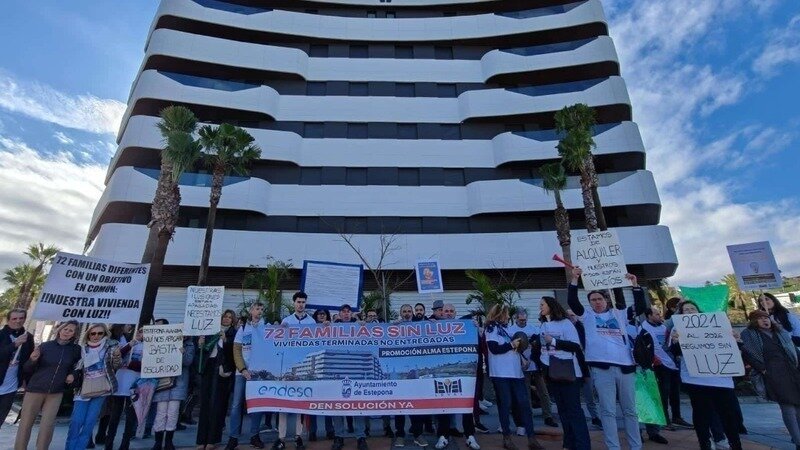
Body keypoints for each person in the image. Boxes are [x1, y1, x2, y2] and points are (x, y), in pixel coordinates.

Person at [567, 267, 641, 450]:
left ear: (606, 300)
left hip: (626, 368)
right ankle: (613, 447)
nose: (597, 302)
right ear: (590, 303)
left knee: (630, 411)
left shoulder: (619, 314)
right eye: (593, 300)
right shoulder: (587, 316)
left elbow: (640, 307)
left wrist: (635, 285)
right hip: (602, 369)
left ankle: (636, 446)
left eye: (599, 299)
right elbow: (572, 302)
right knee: (608, 411)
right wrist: (575, 279)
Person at [669, 301, 743, 450]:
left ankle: (735, 444)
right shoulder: (676, 329)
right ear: (681, 314)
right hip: (696, 379)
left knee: (728, 414)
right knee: (701, 414)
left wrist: (737, 340)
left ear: (699, 311)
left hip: (721, 379)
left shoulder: (716, 325)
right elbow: (675, 352)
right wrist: (677, 342)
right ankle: (705, 443)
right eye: (686, 310)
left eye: (692, 308)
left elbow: (733, 347)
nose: (690, 311)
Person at [485, 304, 544, 450]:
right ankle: (507, 438)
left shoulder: (507, 329)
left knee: (524, 404)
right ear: (499, 315)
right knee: (505, 405)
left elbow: (515, 349)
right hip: (500, 374)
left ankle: (532, 438)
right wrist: (511, 345)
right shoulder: (491, 328)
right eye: (505, 314)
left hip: (516, 373)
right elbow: (494, 349)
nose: (508, 317)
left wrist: (522, 357)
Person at [15, 320, 81, 450]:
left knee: (48, 425)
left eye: (71, 330)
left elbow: (78, 366)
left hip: (56, 392)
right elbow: (27, 368)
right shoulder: (45, 346)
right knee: (25, 424)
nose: (67, 332)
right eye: (65, 329)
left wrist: (73, 374)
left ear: (74, 334)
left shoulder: (75, 350)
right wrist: (32, 360)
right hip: (35, 390)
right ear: (60, 330)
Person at [741, 310, 800, 448]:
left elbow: (794, 350)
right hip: (774, 374)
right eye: (760, 318)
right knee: (788, 407)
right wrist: (763, 369)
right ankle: (798, 441)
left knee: (798, 407)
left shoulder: (780, 332)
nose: (764, 320)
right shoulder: (749, 334)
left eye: (766, 317)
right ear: (754, 321)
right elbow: (748, 353)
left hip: (793, 372)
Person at [537, 296, 590, 450]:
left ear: (551, 306)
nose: (540, 307)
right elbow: (543, 349)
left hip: (569, 373)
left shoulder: (565, 323)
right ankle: (569, 443)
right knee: (562, 411)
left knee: (574, 411)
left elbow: (575, 346)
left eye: (542, 304)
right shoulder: (543, 325)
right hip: (552, 373)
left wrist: (553, 341)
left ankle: (582, 445)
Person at [66, 324, 123, 450]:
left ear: (105, 334)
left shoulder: (111, 348)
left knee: (89, 424)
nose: (96, 336)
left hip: (101, 389)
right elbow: (75, 367)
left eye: (100, 333)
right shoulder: (81, 348)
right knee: (76, 422)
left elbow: (117, 366)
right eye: (93, 333)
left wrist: (117, 356)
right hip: (82, 389)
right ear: (88, 335)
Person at [273, 292, 314, 450]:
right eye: (298, 302)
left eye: (303, 302)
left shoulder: (311, 322)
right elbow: (278, 342)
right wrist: (280, 330)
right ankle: (281, 438)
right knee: (283, 402)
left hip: (303, 367)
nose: (301, 304)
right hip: (287, 366)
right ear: (294, 303)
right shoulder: (286, 321)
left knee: (299, 403)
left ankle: (298, 437)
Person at [507, 308, 558, 431]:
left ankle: (548, 416)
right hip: (521, 365)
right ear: (515, 319)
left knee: (543, 392)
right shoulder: (511, 330)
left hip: (535, 364)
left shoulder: (533, 329)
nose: (523, 322)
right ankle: (528, 416)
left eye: (525, 320)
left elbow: (541, 341)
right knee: (526, 393)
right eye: (521, 320)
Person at [226, 302, 266, 450]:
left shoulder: (266, 327)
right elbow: (236, 350)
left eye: (262, 309)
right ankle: (233, 438)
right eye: (257, 309)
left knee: (257, 405)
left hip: (258, 375)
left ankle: (254, 436)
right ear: (251, 311)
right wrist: (242, 369)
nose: (259, 311)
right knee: (236, 405)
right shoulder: (243, 328)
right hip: (241, 373)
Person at [196, 309, 238, 449]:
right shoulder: (210, 331)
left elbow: (233, 352)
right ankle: (201, 439)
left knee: (217, 405)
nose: (226, 319)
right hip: (208, 367)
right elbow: (202, 352)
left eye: (229, 317)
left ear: (232, 320)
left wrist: (225, 340)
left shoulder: (233, 333)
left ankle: (212, 439)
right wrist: (201, 344)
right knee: (205, 403)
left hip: (221, 369)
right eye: (225, 316)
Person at [151, 326, 195, 450]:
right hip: (163, 381)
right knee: (161, 412)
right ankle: (158, 442)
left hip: (179, 383)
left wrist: (182, 352)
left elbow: (188, 362)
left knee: (173, 413)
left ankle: (169, 441)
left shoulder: (190, 345)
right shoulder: (164, 342)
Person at [390, 304, 428, 447]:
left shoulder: (420, 326)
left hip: (414, 375)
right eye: (404, 311)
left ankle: (418, 434)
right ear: (400, 313)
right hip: (400, 375)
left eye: (408, 311)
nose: (406, 313)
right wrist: (392, 326)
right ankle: (400, 434)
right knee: (399, 406)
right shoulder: (394, 327)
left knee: (416, 406)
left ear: (412, 313)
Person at [102, 326, 143, 450]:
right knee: (115, 415)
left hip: (136, 385)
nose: (141, 333)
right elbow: (118, 357)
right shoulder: (127, 342)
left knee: (130, 417)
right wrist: (130, 345)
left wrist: (129, 364)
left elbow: (146, 366)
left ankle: (125, 444)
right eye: (140, 331)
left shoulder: (150, 347)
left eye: (144, 332)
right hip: (121, 383)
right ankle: (109, 443)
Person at [0, 308, 34, 428]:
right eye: (14, 318)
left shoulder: (28, 337)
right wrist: (15, 344)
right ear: (8, 320)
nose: (18, 321)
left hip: (11, 386)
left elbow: (27, 362)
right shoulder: (1, 335)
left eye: (21, 318)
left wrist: (33, 359)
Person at [308, 309, 335, 441]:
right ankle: (312, 431)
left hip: (327, 368)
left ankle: (330, 430)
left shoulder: (333, 328)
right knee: (313, 403)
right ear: (316, 316)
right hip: (314, 367)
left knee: (327, 402)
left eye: (324, 314)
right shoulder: (310, 328)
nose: (322, 315)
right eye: (319, 314)